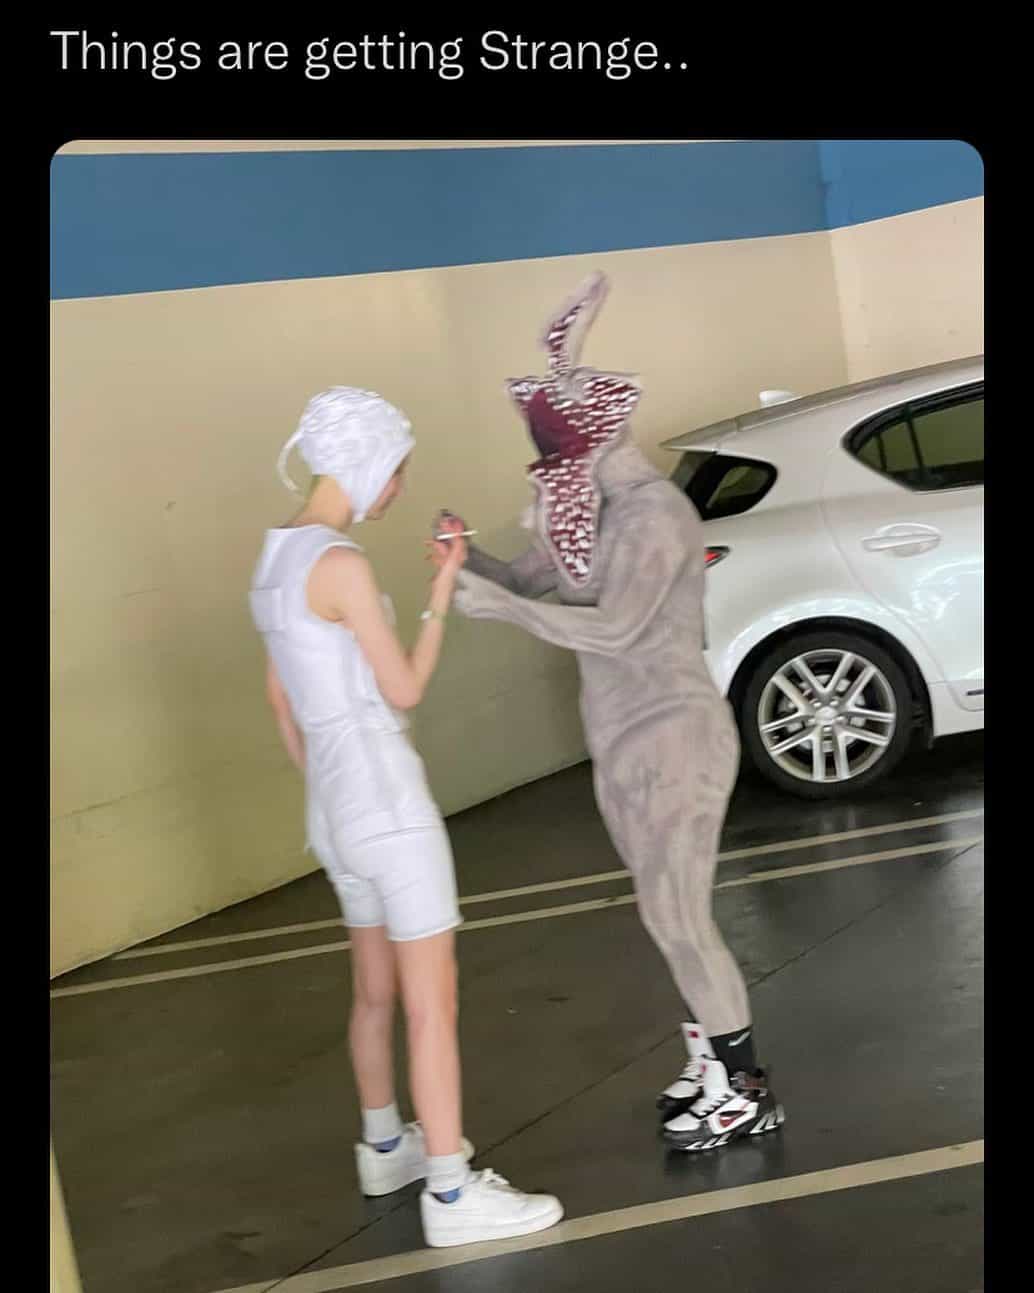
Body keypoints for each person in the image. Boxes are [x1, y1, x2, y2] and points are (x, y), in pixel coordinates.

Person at [445, 274, 785, 1151]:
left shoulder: (655, 516)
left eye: (559, 454)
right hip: (622, 739)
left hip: (675, 733)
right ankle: (712, 1063)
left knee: (681, 915)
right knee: (663, 916)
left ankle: (746, 1087)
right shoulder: (590, 516)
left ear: (595, 442)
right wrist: (462, 554)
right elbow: (519, 579)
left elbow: (619, 624)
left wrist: (505, 609)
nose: (553, 476)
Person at [249, 386, 563, 1246]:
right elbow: (405, 688)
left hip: (332, 808)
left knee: (373, 991)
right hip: (387, 799)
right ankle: (454, 1194)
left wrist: (332, 787)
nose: (395, 487)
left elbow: (281, 699)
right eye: (395, 470)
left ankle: (386, 1146)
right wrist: (443, 588)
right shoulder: (341, 564)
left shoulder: (273, 559)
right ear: (363, 461)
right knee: (432, 1003)